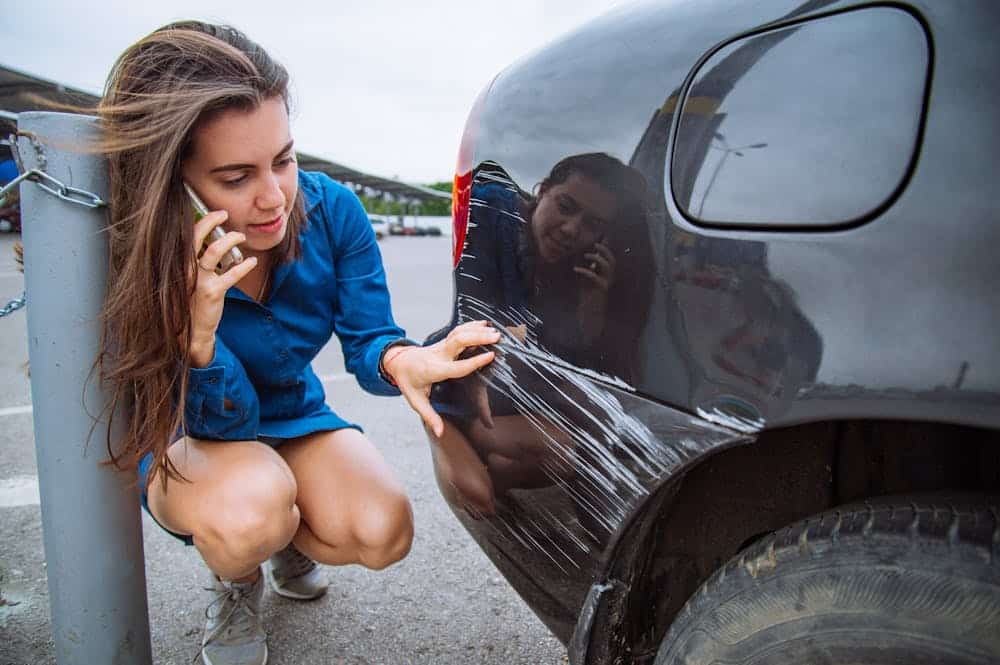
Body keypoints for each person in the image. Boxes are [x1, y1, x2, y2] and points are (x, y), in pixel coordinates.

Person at [94, 21, 498, 665]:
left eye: (283, 159)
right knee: (251, 509)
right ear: (173, 182)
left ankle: (279, 533)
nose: (274, 196)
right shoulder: (142, 252)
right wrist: (197, 333)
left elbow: (369, 342)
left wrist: (404, 359)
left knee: (382, 530)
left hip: (291, 415)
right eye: (234, 176)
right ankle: (237, 575)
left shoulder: (332, 210)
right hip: (192, 434)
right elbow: (214, 420)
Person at [429, 154, 654, 514]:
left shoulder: (573, 270)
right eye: (565, 206)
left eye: (592, 224)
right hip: (462, 391)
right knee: (480, 495)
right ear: (542, 190)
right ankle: (446, 426)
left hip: (509, 396)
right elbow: (482, 320)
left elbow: (586, 366)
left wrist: (593, 303)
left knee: (577, 440)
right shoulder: (498, 221)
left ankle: (491, 451)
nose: (570, 229)